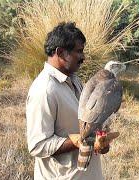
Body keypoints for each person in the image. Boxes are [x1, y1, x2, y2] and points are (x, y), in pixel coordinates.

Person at [26, 22, 104, 180]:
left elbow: (83, 124)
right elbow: (37, 145)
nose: (83, 57)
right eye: (79, 51)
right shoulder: (44, 90)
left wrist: (100, 140)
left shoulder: (74, 80)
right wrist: (77, 141)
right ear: (61, 52)